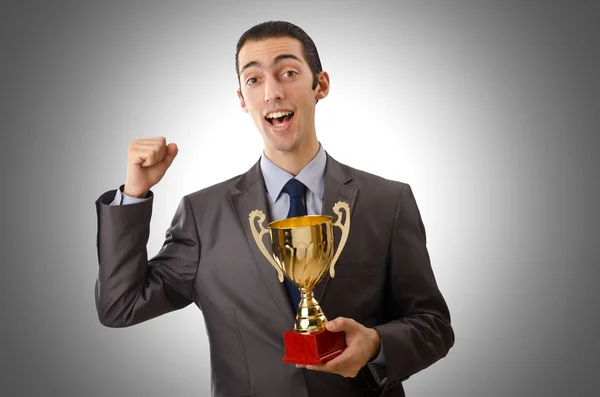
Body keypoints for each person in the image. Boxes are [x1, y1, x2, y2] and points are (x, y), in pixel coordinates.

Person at [94, 20, 454, 397]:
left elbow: (434, 325)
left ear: (321, 85)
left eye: (288, 72)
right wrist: (134, 194)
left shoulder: (387, 202)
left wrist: (376, 344)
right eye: (253, 80)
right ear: (241, 99)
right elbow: (120, 306)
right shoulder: (203, 215)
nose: (272, 92)